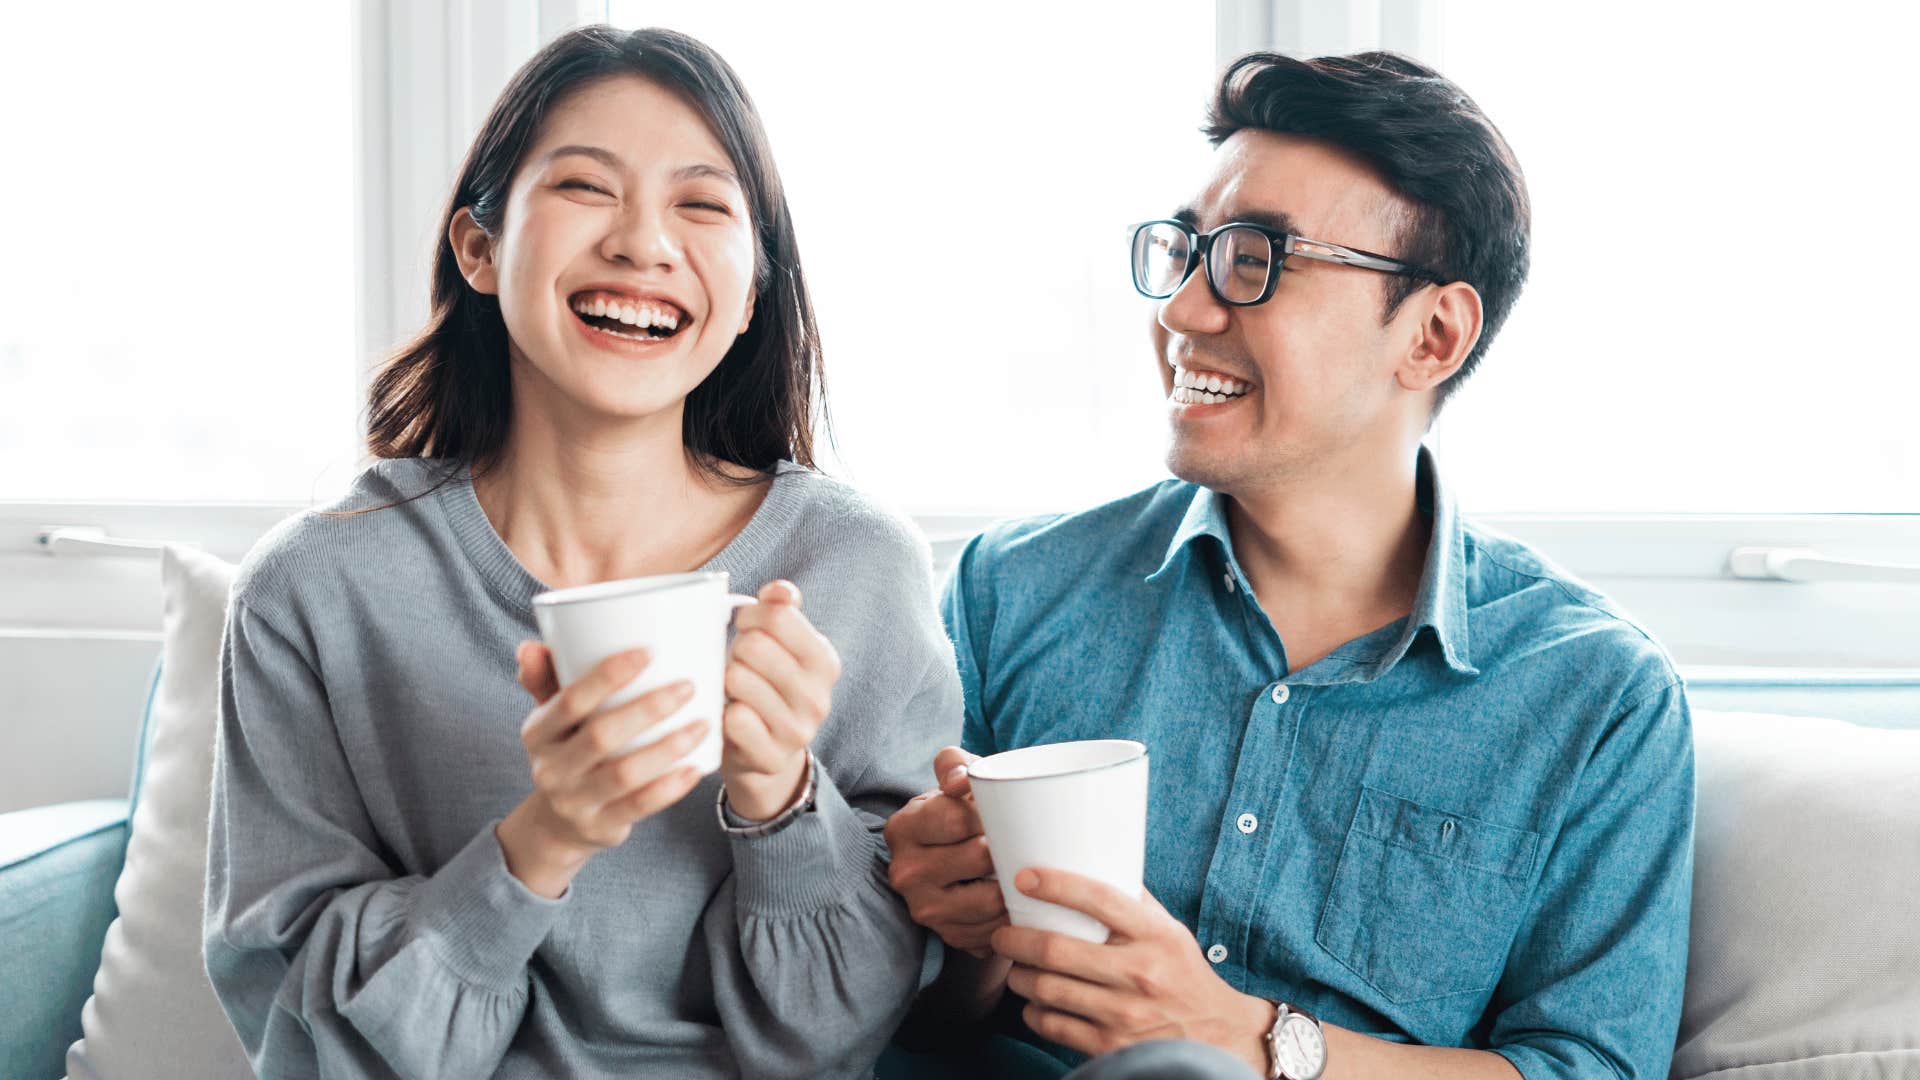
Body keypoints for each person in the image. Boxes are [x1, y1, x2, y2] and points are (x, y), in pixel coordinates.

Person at [884, 51, 1693, 1080]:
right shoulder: (1010, 589)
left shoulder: (1596, 694)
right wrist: (952, 940)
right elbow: (910, 1019)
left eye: (1256, 258)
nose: (1182, 311)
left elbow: (1593, 1068)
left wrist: (1256, 1043)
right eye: (1188, 251)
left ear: (1432, 335)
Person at [203, 26, 959, 1079]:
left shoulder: (856, 569)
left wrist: (780, 795)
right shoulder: (316, 588)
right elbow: (303, 1041)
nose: (644, 244)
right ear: (479, 248)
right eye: (585, 189)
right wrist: (546, 838)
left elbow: (841, 1035)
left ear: (748, 292)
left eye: (701, 205)